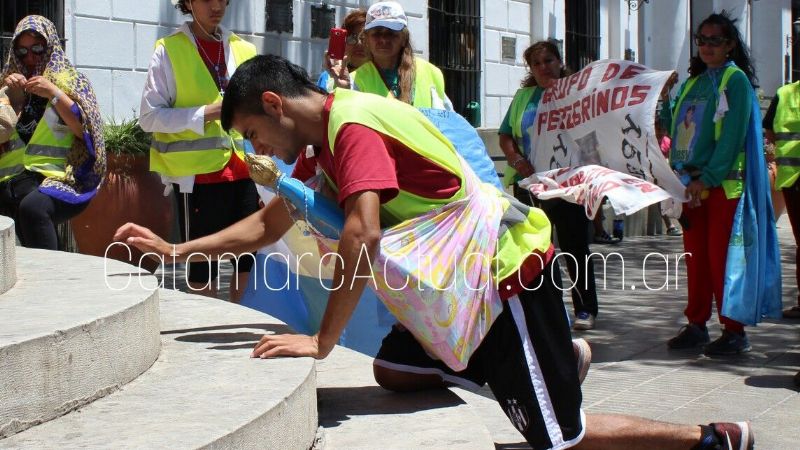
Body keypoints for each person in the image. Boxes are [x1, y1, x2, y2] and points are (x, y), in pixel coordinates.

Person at [116, 54, 755, 450]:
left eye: (255, 132)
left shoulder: (352, 128)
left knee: (562, 438)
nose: (263, 149)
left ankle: (707, 438)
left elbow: (361, 235)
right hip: (460, 295)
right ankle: (551, 359)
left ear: (276, 104)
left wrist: (321, 343)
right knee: (394, 371)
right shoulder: (322, 145)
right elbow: (265, 226)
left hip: (506, 283)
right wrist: (175, 248)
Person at [139, 0, 260, 302]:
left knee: (248, 258)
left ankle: (239, 328)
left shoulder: (245, 50)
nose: (216, 6)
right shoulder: (168, 50)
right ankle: (205, 329)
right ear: (189, 3)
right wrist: (206, 113)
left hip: (246, 171)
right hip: (199, 179)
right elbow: (149, 117)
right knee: (202, 264)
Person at [663, 12, 759, 355]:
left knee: (722, 260)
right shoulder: (694, 82)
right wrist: (662, 98)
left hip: (720, 188)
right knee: (696, 259)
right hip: (689, 186)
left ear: (730, 45)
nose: (706, 46)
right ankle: (697, 324)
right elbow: (672, 129)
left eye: (714, 40)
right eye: (701, 40)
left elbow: (732, 137)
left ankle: (734, 331)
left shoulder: (735, 81)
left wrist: (708, 178)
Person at [497, 41, 600, 331]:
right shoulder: (523, 98)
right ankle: (546, 309)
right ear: (531, 69)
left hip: (567, 184)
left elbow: (589, 136)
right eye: (537, 63)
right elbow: (506, 135)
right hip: (529, 182)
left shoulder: (576, 96)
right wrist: (516, 160)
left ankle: (585, 309)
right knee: (534, 247)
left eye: (549, 60)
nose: (544, 67)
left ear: (559, 62)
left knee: (574, 246)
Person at [0, 15, 104, 250]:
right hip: (10, 181)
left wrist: (54, 94)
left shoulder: (72, 81)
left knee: (33, 209)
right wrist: (9, 100)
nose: (30, 57)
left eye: (37, 48)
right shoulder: (6, 84)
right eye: (22, 51)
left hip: (57, 179)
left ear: (50, 47)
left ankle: (52, 278)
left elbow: (85, 131)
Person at [330, 1, 452, 110]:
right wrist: (343, 91)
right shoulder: (353, 80)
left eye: (391, 33)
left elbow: (449, 123)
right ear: (366, 39)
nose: (383, 39)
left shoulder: (430, 73)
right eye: (377, 33)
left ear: (404, 38)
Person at [763, 81, 800, 320]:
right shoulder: (784, 94)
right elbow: (769, 132)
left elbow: (770, 134)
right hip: (793, 181)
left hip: (793, 180)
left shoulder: (784, 93)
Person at [317, 9, 368, 92]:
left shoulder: (382, 78)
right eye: (351, 37)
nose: (359, 43)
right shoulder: (327, 77)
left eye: (364, 38)